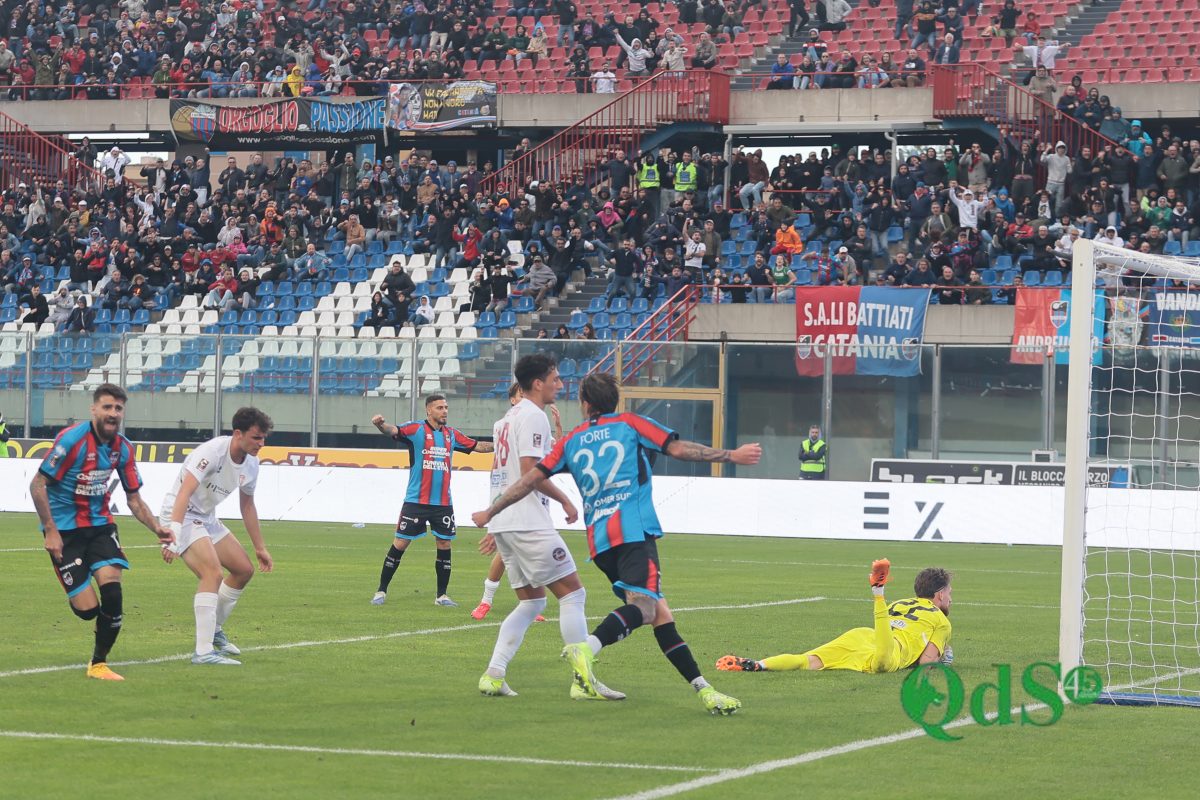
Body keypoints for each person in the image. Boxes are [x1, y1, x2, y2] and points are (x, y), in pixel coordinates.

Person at [471, 372, 762, 715]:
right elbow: (680, 449)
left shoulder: (573, 439)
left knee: (660, 614)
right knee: (646, 608)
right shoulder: (631, 423)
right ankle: (587, 648)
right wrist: (732, 454)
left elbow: (528, 480)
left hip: (601, 541)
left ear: (585, 404)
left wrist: (493, 510)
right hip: (634, 532)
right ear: (616, 400)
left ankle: (706, 691)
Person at [476, 356, 623, 699]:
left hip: (507, 523)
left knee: (532, 603)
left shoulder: (505, 420)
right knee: (573, 594)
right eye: (555, 379)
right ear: (538, 383)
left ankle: (494, 674)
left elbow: (504, 474)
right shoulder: (533, 415)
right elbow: (530, 470)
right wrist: (565, 500)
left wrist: (494, 519)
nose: (560, 384)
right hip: (528, 522)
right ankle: (583, 680)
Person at [29, 384, 175, 681]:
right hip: (65, 531)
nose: (113, 413)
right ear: (94, 409)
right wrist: (50, 531)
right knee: (87, 610)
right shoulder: (71, 441)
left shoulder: (123, 448)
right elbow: (37, 485)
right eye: (107, 407)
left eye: (118, 408)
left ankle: (98, 663)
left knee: (113, 589)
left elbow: (133, 498)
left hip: (100, 527)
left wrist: (156, 527)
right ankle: (78, 594)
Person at [159, 407, 274, 666]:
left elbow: (247, 505)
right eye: (256, 437)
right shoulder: (211, 452)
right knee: (212, 574)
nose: (261, 443)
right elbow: (184, 493)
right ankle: (203, 652)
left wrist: (260, 547)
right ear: (238, 434)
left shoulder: (252, 464)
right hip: (181, 514)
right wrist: (173, 535)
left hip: (206, 517)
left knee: (243, 570)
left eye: (264, 438)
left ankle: (214, 629)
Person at [717, 560, 953, 673]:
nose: (951, 598)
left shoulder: (903, 602)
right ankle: (878, 594)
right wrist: (942, 660)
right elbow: (925, 663)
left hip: (862, 636)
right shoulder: (942, 621)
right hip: (890, 647)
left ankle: (756, 664)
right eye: (950, 593)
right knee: (883, 663)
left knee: (807, 661)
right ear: (939, 594)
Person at [370, 396, 494, 607]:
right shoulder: (416, 430)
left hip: (443, 503)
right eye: (440, 407)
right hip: (416, 501)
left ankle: (441, 596)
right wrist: (381, 425)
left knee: (444, 544)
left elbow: (479, 446)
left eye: (446, 407)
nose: (444, 411)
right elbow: (393, 431)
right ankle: (381, 591)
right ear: (429, 411)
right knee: (400, 543)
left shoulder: (451, 435)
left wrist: (506, 442)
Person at [472, 382, 563, 621]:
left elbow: (555, 454)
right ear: (513, 400)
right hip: (518, 497)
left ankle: (529, 604)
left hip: (535, 499)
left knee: (526, 553)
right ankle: (486, 601)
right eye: (520, 394)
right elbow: (514, 466)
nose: (526, 398)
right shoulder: (512, 425)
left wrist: (558, 427)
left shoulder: (528, 424)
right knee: (506, 554)